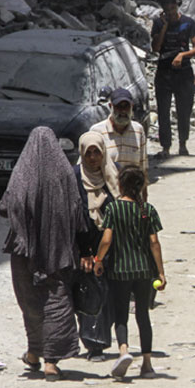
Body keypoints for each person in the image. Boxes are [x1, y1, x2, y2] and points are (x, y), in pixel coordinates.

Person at [0, 127, 89, 381]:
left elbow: (7, 207)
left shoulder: (22, 172)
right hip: (59, 250)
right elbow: (76, 212)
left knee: (30, 304)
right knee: (57, 300)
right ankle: (50, 362)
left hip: (24, 251)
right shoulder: (64, 172)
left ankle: (34, 352)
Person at [93, 167, 165, 380]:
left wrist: (98, 260)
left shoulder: (114, 209)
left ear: (121, 185)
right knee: (143, 315)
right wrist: (161, 272)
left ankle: (124, 351)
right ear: (141, 186)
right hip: (144, 271)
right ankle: (147, 364)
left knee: (121, 315)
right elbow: (154, 243)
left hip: (119, 270)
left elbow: (106, 240)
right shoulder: (148, 210)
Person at [75, 132, 114, 361]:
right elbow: (74, 215)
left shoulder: (113, 173)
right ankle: (93, 344)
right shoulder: (75, 177)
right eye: (87, 153)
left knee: (107, 294)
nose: (92, 158)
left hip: (111, 245)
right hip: (85, 247)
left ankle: (107, 340)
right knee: (89, 293)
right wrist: (85, 252)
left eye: (96, 152)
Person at [151, 0, 195, 158]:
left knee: (183, 110)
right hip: (164, 72)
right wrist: (164, 27)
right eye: (167, 10)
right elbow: (156, 48)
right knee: (163, 111)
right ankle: (165, 147)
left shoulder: (189, 23)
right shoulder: (158, 23)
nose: (170, 13)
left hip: (183, 72)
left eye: (172, 9)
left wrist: (182, 55)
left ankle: (183, 144)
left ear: (176, 7)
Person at [90, 88, 148, 184]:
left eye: (126, 106)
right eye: (118, 107)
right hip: (107, 192)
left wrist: (144, 196)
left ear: (132, 106)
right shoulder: (97, 132)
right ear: (110, 106)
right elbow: (88, 168)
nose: (123, 111)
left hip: (131, 192)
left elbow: (143, 167)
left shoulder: (138, 130)